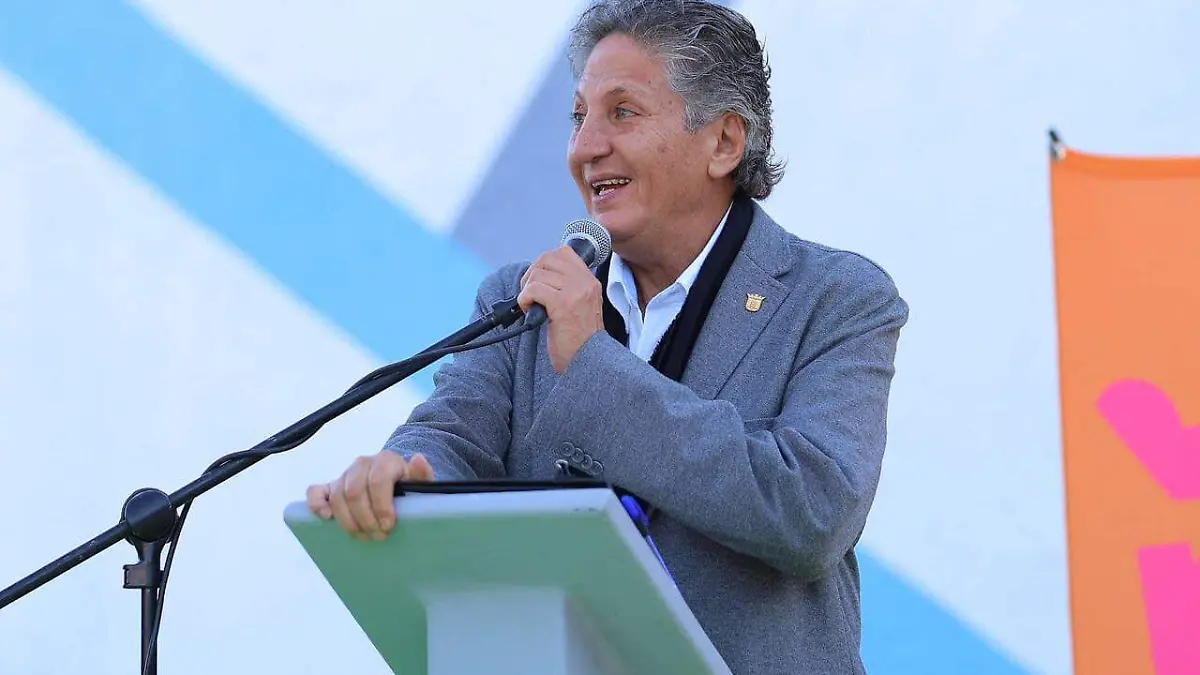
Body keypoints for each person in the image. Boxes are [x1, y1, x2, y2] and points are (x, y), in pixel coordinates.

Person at [306, 1, 908, 673]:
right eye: (578, 117)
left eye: (622, 112)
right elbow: (449, 437)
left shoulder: (837, 298)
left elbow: (812, 512)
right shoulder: (521, 296)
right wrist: (403, 478)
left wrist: (592, 365)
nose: (585, 148)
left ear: (724, 142)